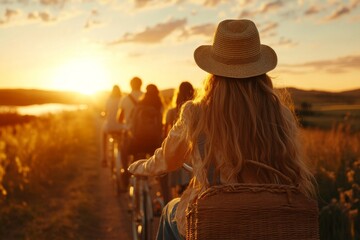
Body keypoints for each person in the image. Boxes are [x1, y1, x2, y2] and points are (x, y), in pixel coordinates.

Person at [128, 19, 316, 240]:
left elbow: (168, 160)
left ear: (213, 72)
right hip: (271, 222)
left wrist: (144, 166)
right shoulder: (280, 113)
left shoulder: (195, 113)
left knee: (171, 211)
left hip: (213, 221)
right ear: (260, 71)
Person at [162, 82, 195, 203]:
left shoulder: (171, 112)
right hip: (192, 151)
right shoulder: (196, 110)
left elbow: (166, 135)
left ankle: (167, 201)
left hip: (177, 153)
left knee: (164, 176)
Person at [117, 77, 144, 187]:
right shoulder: (145, 97)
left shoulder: (125, 99)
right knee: (140, 155)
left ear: (130, 85)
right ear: (141, 84)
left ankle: (126, 173)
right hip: (143, 135)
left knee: (122, 151)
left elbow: (119, 119)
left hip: (129, 134)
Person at [101, 85, 123, 166]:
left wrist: (103, 115)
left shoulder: (109, 100)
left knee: (103, 133)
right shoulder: (122, 99)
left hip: (110, 126)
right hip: (120, 127)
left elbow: (105, 112)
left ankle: (104, 158)